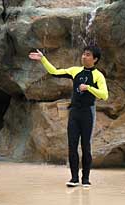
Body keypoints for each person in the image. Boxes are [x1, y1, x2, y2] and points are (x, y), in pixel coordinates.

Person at [28, 45, 109, 187]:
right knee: (72, 145)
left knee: (86, 146)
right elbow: (54, 72)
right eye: (84, 54)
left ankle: (86, 179)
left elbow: (104, 95)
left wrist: (89, 88)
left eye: (88, 55)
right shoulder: (75, 71)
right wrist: (43, 59)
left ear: (95, 59)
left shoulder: (98, 75)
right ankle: (74, 178)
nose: (84, 56)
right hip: (74, 113)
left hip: (87, 113)